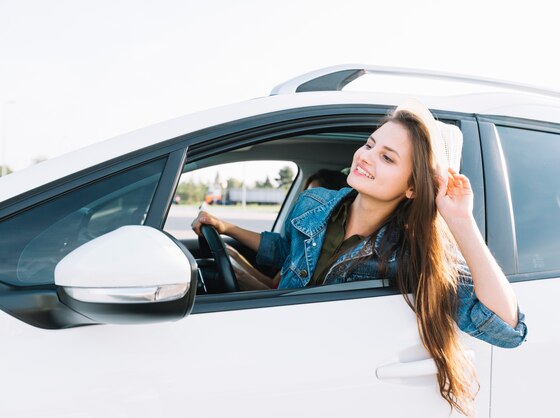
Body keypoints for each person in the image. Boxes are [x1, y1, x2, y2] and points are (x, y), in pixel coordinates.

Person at [191, 99, 527, 416]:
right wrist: (226, 227)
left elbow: (506, 328)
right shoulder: (315, 203)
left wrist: (461, 221)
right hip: (280, 360)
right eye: (369, 145)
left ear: (412, 188)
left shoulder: (413, 254)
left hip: (340, 382)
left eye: (388, 158)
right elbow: (285, 252)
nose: (366, 157)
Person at [224, 168, 348, 290]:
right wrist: (236, 256)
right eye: (308, 196)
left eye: (316, 199)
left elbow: (284, 299)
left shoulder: (330, 254)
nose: (307, 204)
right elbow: (274, 285)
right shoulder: (302, 245)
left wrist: (247, 281)